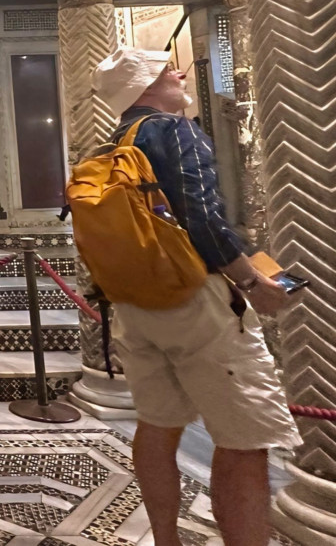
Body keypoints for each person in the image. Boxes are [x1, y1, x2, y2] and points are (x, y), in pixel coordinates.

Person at [91, 47, 301, 546]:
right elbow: (203, 216)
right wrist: (252, 282)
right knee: (246, 441)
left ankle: (166, 539)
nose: (180, 71)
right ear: (144, 88)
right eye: (167, 70)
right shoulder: (171, 130)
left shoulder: (113, 143)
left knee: (158, 425)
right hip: (194, 303)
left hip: (137, 304)